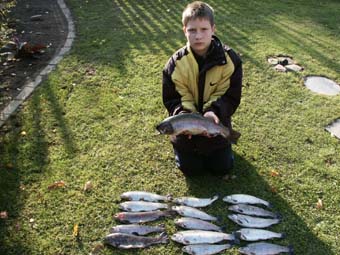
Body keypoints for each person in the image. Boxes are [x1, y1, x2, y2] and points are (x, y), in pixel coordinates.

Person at [161, 1, 243, 177]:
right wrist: (183, 114)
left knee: (222, 168)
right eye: (192, 30)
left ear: (213, 29)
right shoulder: (174, 64)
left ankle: (226, 142)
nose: (198, 36)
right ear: (184, 30)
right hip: (186, 130)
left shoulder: (231, 60)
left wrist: (214, 112)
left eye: (204, 29)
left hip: (215, 122)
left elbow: (230, 96)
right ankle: (184, 151)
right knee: (192, 171)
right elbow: (172, 99)